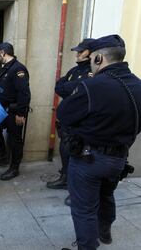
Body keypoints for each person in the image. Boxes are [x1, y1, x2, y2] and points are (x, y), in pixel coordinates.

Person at [58, 35, 141, 250]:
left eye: (93, 58)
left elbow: (64, 114)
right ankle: (105, 232)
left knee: (84, 209)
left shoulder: (91, 86)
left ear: (98, 59)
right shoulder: (138, 85)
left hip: (89, 159)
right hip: (119, 158)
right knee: (106, 195)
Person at [47, 39, 94, 198]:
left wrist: (68, 87)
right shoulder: (74, 70)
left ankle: (75, 190)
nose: (78, 54)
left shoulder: (92, 71)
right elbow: (59, 87)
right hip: (67, 123)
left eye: (81, 51)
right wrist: (69, 87)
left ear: (90, 53)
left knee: (77, 155)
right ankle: (65, 178)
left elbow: (77, 90)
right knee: (65, 151)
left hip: (80, 122)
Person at [0, 42, 31, 180]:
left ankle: (14, 168)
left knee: (15, 140)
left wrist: (21, 113)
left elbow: (24, 93)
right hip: (2, 110)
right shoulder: (6, 68)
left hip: (14, 111)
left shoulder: (18, 69)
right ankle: (2, 156)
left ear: (2, 53)